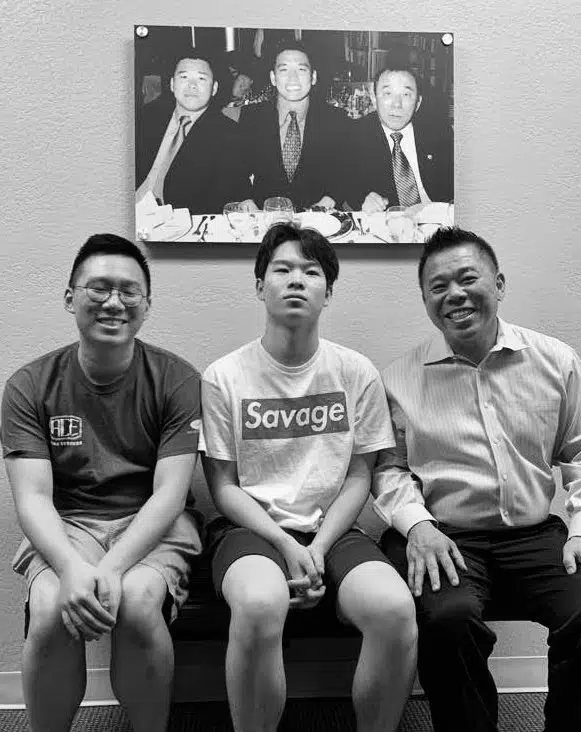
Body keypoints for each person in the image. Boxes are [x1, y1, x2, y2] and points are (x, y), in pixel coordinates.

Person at [372, 226, 581, 732]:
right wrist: (417, 526)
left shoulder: (555, 360)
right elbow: (389, 470)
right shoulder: (398, 378)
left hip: (533, 534)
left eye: (467, 278)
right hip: (445, 536)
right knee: (447, 618)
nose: (454, 294)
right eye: (438, 287)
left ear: (499, 284)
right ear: (425, 301)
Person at [200, 223, 417, 732]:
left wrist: (317, 546)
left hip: (335, 531)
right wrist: (286, 543)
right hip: (250, 531)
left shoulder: (355, 371)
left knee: (394, 610)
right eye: (282, 269)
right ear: (260, 287)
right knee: (259, 602)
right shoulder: (224, 376)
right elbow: (223, 486)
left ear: (328, 293)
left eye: (311, 271)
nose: (296, 280)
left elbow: (361, 474)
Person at [1, 234, 202, 732]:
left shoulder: (178, 380)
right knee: (49, 608)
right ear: (70, 297)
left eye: (129, 291)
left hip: (151, 523)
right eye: (99, 288)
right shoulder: (28, 386)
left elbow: (170, 495)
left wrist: (111, 567)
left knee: (134, 601)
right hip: (67, 523)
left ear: (147, 305)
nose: (114, 301)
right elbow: (32, 498)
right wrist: (71, 565)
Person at [239, 40, 352, 210]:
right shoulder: (252, 117)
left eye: (301, 69)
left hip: (319, 219)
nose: (293, 78)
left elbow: (345, 171)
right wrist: (246, 199)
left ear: (313, 77)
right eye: (284, 70)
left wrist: (329, 200)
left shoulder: (336, 119)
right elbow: (236, 168)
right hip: (265, 217)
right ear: (273, 78)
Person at [135, 52, 249, 213]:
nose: (192, 85)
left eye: (201, 78)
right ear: (172, 84)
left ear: (214, 88)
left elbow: (226, 193)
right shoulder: (146, 117)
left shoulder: (228, 134)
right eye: (184, 77)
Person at [344, 64, 453, 212]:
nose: (397, 104)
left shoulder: (438, 132)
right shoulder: (355, 135)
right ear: (374, 98)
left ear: (418, 103)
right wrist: (362, 198)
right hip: (389, 224)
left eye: (406, 95)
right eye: (388, 93)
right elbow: (346, 182)